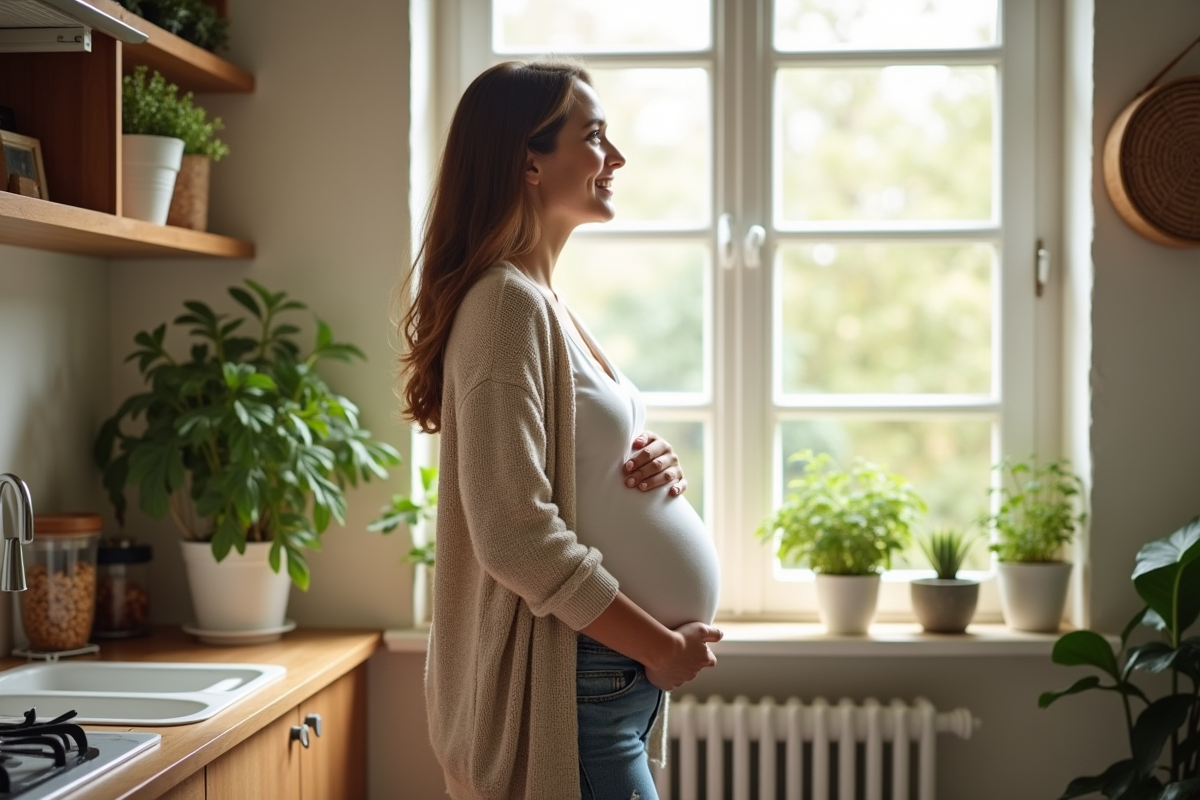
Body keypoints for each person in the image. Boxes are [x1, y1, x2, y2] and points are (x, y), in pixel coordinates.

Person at [398, 58, 723, 800]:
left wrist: (649, 466)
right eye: (596, 137)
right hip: (578, 681)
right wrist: (661, 648)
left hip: (600, 680)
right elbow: (515, 534)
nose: (617, 158)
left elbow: (568, 469)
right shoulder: (504, 304)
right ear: (530, 162)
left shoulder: (541, 299)